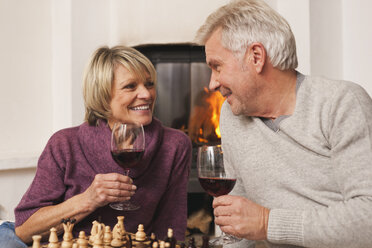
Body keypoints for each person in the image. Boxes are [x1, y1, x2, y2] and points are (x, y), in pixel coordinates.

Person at [195, 0, 372, 247]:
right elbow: (238, 215)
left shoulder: (341, 103)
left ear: (256, 57)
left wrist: (267, 223)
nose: (212, 83)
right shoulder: (232, 114)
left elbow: (368, 219)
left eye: (217, 67)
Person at [0, 45, 192, 247]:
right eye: (130, 86)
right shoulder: (64, 144)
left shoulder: (175, 145)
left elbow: (171, 229)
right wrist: (88, 200)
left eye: (149, 84)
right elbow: (24, 230)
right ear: (102, 95)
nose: (146, 94)